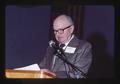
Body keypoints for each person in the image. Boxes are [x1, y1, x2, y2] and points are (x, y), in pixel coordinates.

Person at [39, 14, 92, 78]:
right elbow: (42, 66)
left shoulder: (83, 47)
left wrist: (53, 75)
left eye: (61, 30)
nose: (58, 34)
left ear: (71, 29)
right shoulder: (51, 48)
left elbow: (79, 74)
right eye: (55, 31)